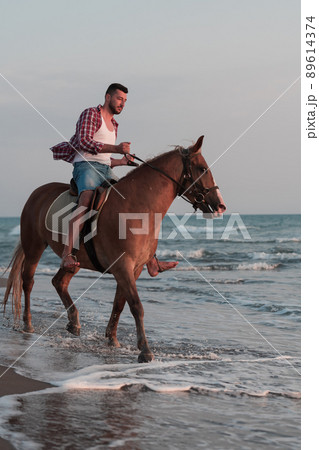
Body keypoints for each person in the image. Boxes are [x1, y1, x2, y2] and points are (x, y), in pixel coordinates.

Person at [51, 83, 178, 275]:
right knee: (86, 198)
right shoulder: (91, 114)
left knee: (129, 202)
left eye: (125, 101)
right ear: (108, 97)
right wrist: (117, 149)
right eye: (119, 99)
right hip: (85, 165)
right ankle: (67, 254)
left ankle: (151, 260)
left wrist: (121, 161)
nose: (122, 104)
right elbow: (85, 142)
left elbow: (104, 159)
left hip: (104, 168)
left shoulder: (114, 124)